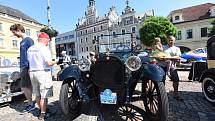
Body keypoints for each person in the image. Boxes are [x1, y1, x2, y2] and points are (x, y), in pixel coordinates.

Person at [27, 32, 57, 120]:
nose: (48, 42)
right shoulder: (44, 48)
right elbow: (49, 63)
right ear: (45, 39)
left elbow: (29, 62)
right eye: (48, 40)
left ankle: (40, 109)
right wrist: (56, 61)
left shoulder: (30, 48)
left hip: (32, 72)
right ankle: (43, 114)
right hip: (42, 73)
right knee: (44, 95)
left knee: (37, 94)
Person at [10, 24, 35, 112]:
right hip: (23, 66)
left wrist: (30, 67)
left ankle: (30, 104)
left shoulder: (28, 40)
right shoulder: (22, 41)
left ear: (19, 30)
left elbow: (32, 54)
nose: (14, 34)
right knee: (27, 85)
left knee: (24, 86)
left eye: (14, 32)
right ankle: (31, 102)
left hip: (26, 66)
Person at [163, 35, 183, 101]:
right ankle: (162, 94)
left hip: (172, 67)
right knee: (161, 80)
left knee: (176, 79)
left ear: (174, 41)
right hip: (162, 66)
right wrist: (173, 57)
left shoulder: (177, 48)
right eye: (169, 40)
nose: (170, 41)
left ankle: (176, 93)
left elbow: (178, 57)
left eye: (172, 40)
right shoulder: (163, 47)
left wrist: (168, 58)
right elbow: (160, 55)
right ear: (167, 40)